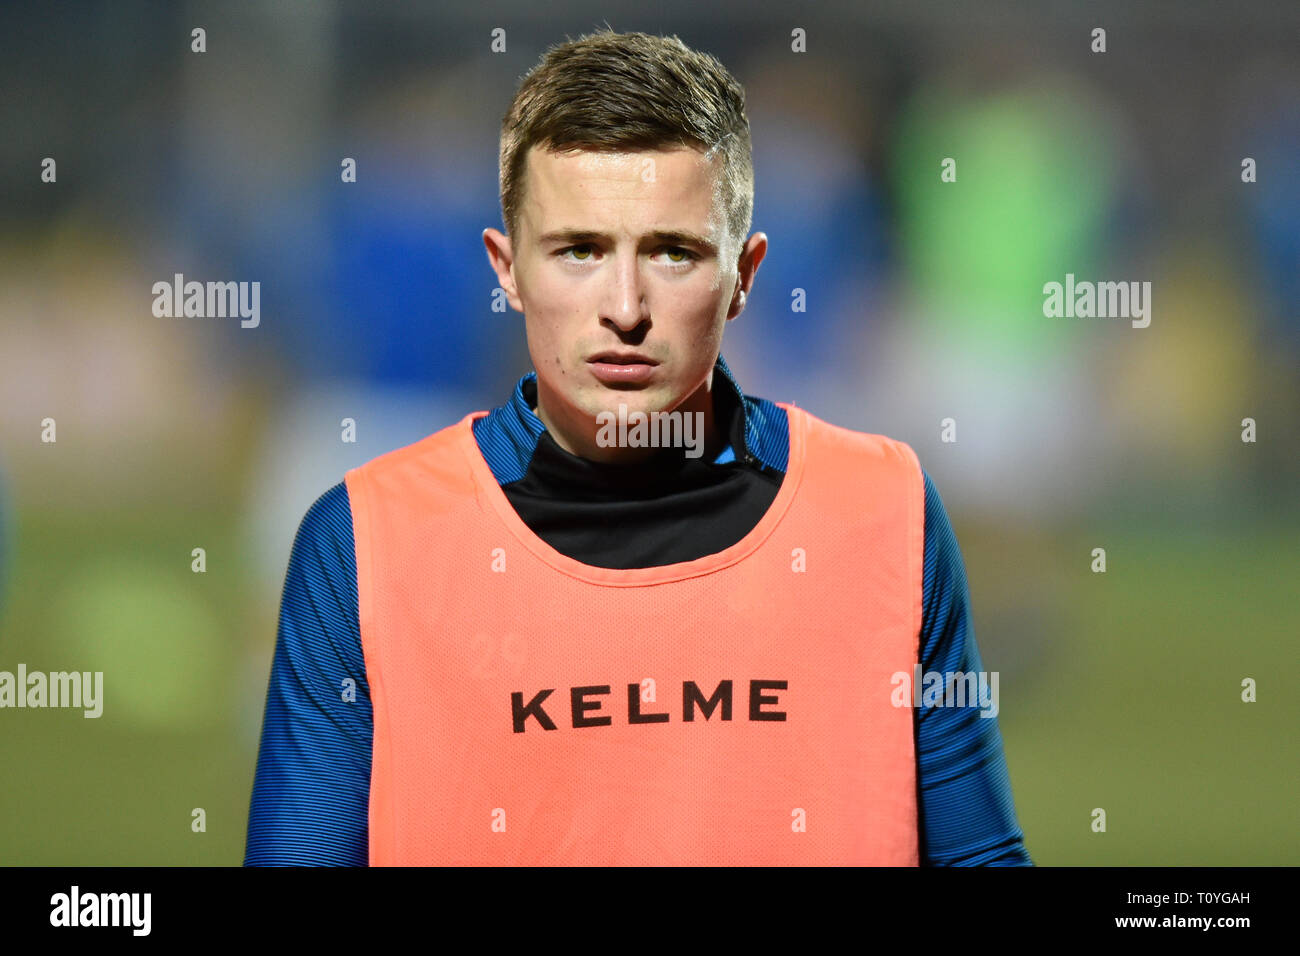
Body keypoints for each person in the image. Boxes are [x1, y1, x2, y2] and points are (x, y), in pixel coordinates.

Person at [244, 28, 1031, 866]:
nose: (626, 306)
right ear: (507, 270)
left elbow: (978, 856)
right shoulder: (362, 544)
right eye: (579, 250)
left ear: (744, 275)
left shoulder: (887, 512)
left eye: (672, 252)